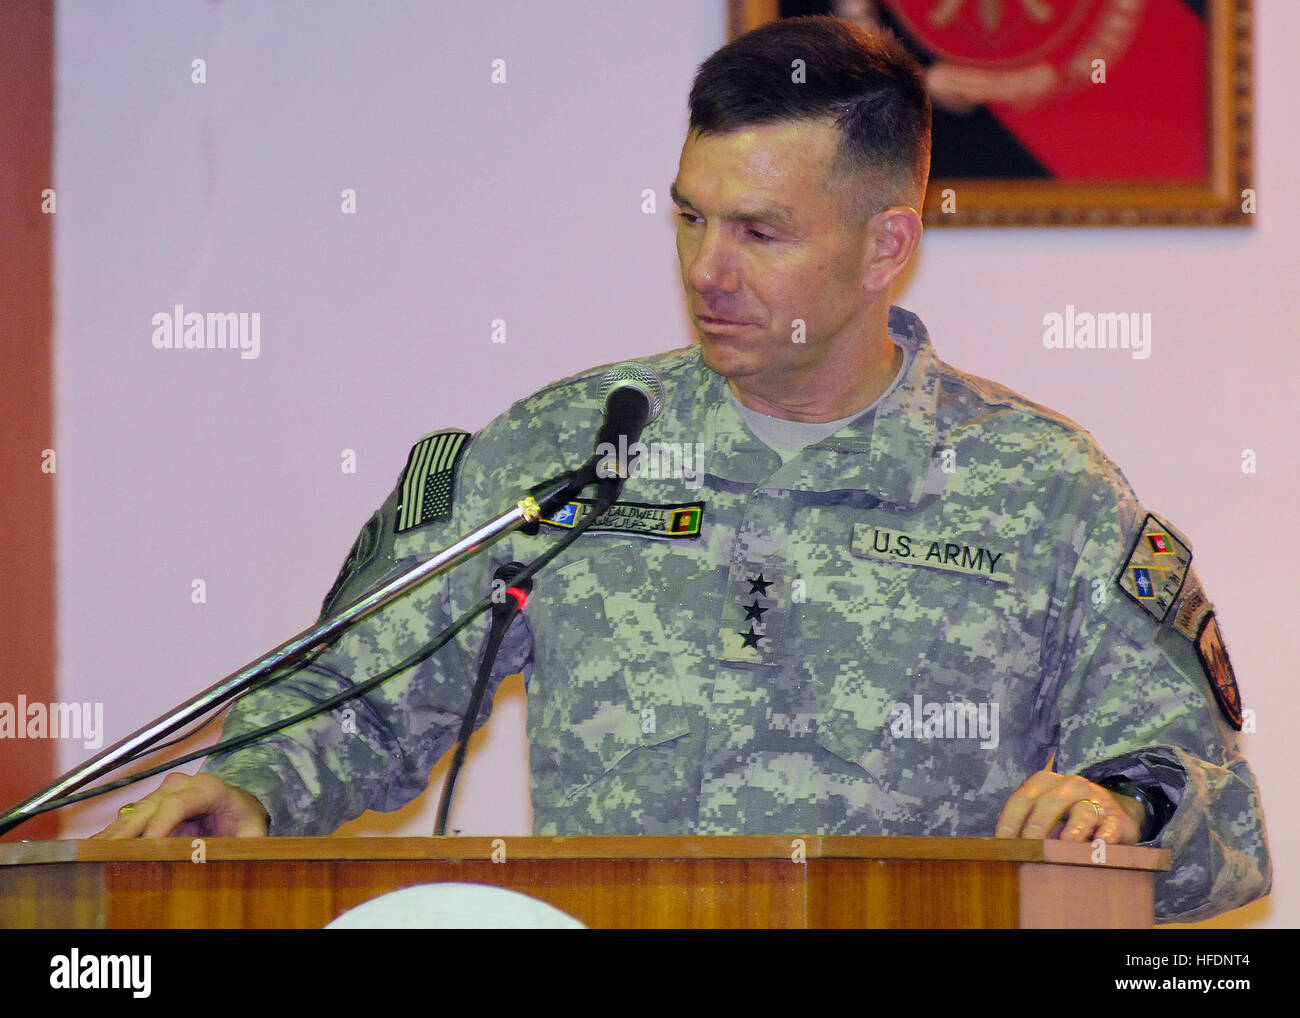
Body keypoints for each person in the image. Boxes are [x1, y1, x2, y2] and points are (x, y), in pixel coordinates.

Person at [93, 16, 1270, 923]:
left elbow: (1209, 812)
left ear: (885, 245)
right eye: (688, 217)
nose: (707, 268)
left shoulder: (1040, 487)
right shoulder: (573, 451)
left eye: (758, 232)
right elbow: (360, 693)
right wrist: (251, 785)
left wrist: (1115, 809)